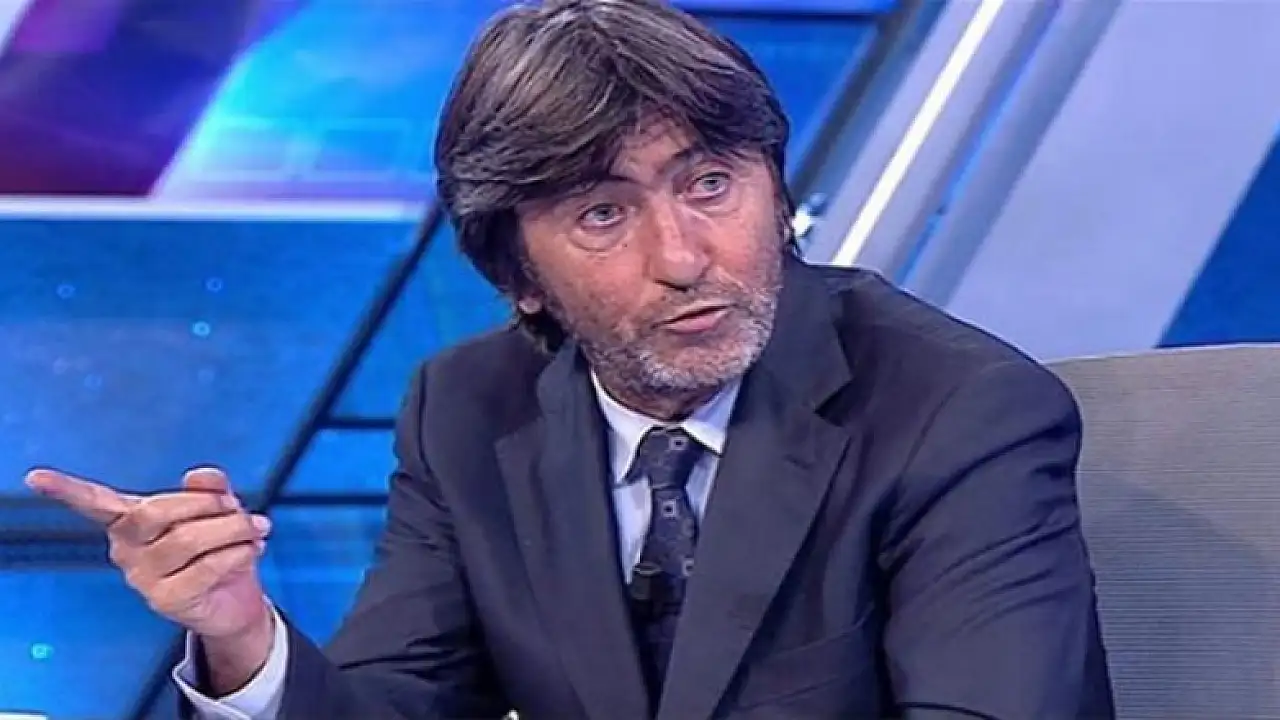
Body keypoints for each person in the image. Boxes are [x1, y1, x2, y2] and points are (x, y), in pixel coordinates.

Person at [26, 0, 1116, 718]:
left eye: (710, 185)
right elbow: (395, 704)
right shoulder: (467, 409)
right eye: (603, 213)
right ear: (519, 276)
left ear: (775, 191)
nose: (683, 259)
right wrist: (240, 636)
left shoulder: (955, 411)